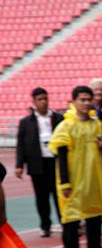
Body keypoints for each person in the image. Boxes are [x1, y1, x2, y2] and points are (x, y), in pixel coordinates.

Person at [48, 86, 102, 248]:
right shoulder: (66, 126)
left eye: (89, 99)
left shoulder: (97, 125)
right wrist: (64, 182)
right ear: (74, 101)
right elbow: (60, 156)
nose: (86, 103)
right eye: (82, 100)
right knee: (71, 221)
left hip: (93, 181)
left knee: (94, 220)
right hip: (75, 181)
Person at [15, 87, 64, 237]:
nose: (43, 102)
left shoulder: (58, 118)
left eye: (45, 99)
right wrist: (19, 165)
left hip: (55, 163)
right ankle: (45, 225)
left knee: (59, 196)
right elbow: (21, 144)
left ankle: (65, 223)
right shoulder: (25, 122)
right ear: (34, 101)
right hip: (37, 163)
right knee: (42, 198)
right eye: (40, 99)